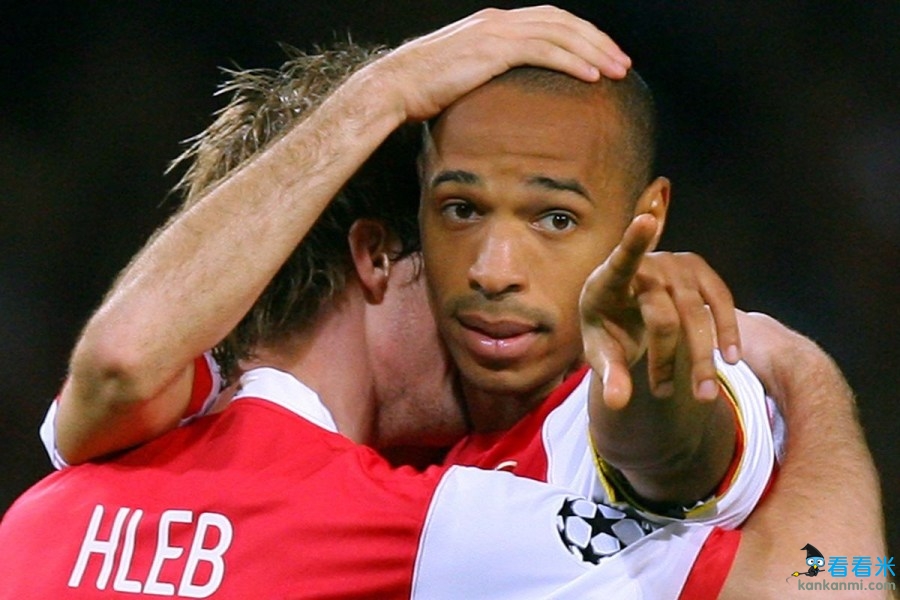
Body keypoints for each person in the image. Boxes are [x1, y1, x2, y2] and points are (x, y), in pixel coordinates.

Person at [8, 6, 886, 598]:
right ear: (380, 258)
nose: (492, 277)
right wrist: (809, 378)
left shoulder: (43, 513)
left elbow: (120, 363)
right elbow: (838, 585)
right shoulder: (424, 531)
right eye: (457, 221)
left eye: (546, 223)